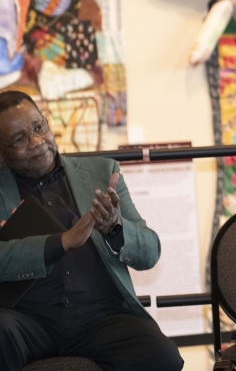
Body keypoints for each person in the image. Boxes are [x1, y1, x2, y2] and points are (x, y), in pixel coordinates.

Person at [0, 91, 183, 371]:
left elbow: (150, 252)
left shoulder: (102, 172)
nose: (36, 142)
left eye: (39, 127)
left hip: (99, 319)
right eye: (19, 140)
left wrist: (114, 229)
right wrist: (62, 242)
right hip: (27, 321)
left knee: (163, 356)